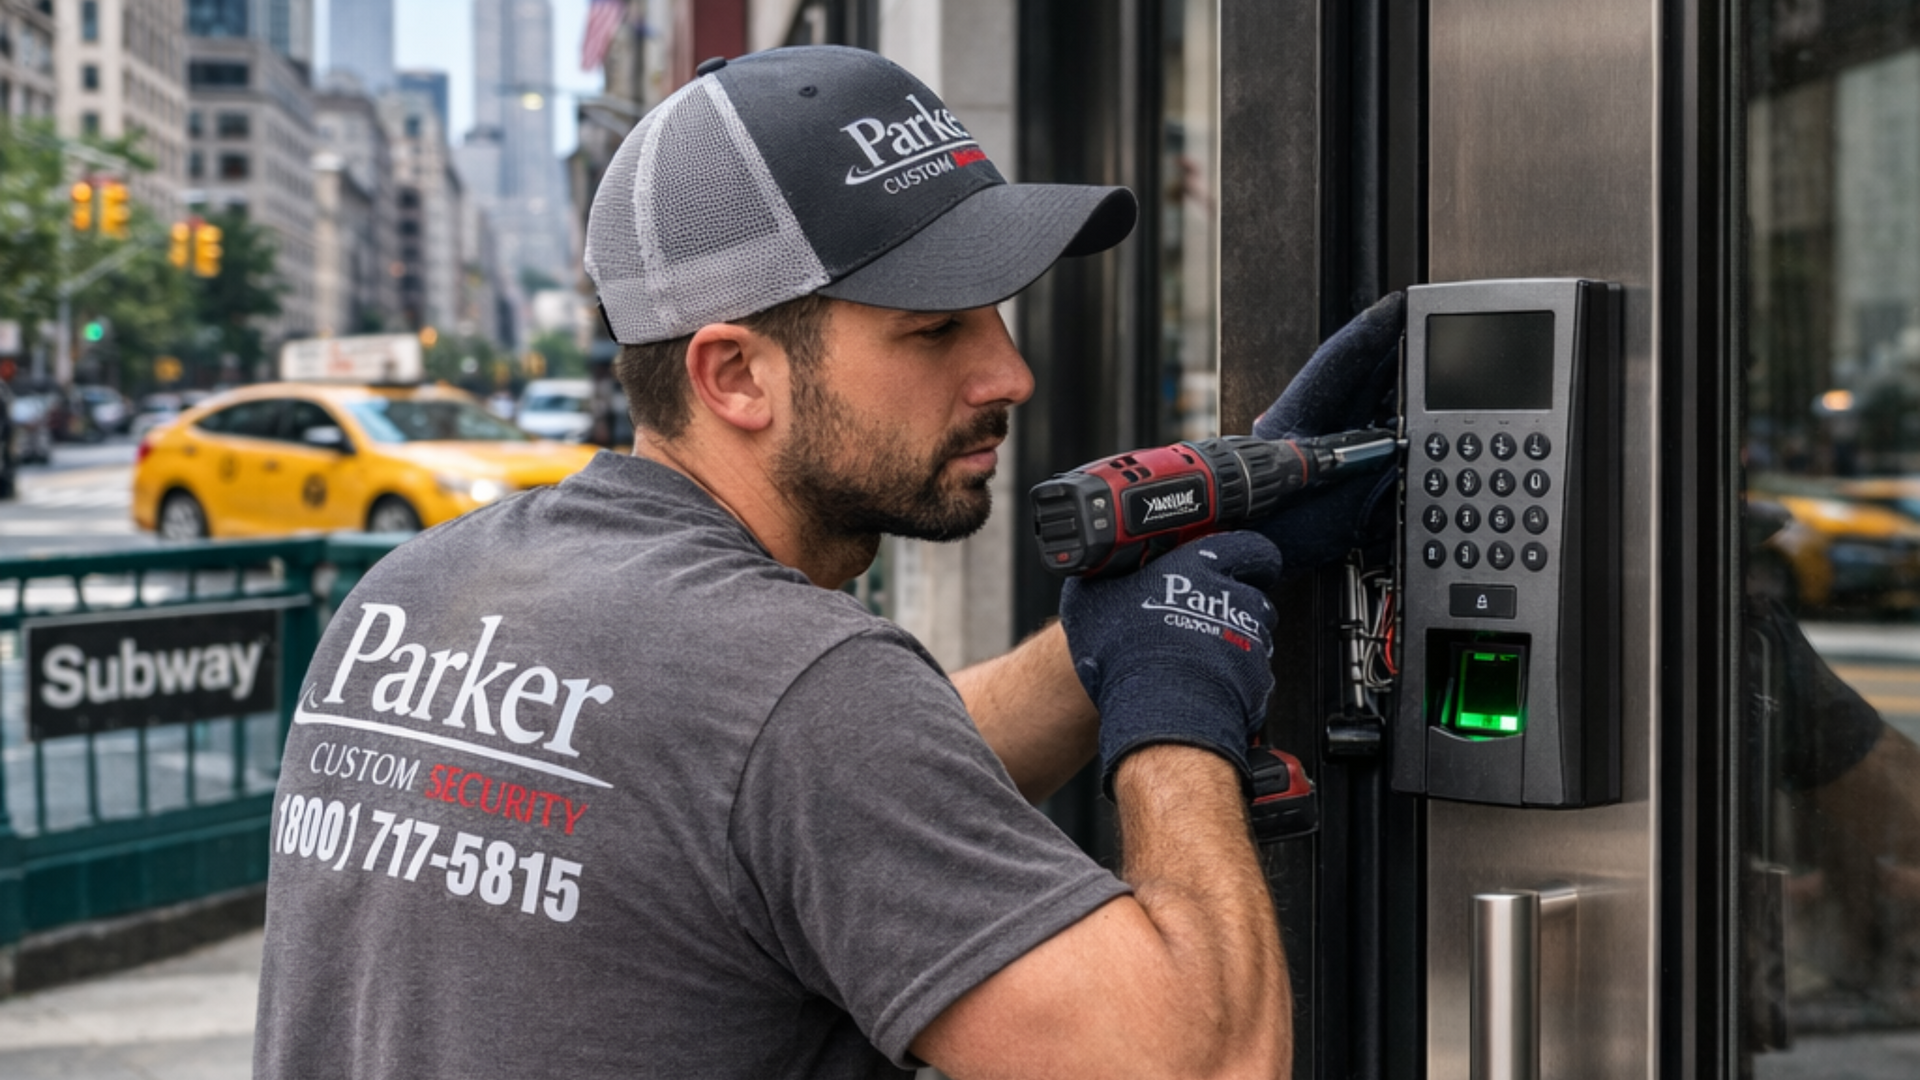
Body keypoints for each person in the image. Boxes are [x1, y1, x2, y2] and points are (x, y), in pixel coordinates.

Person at [253, 46, 1394, 1079]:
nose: (1011, 374)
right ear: (734, 374)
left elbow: (804, 804)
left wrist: (1116, 626)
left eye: (995, 314)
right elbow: (1208, 1061)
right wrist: (1176, 703)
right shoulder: (797, 692)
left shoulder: (415, 594)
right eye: (934, 328)